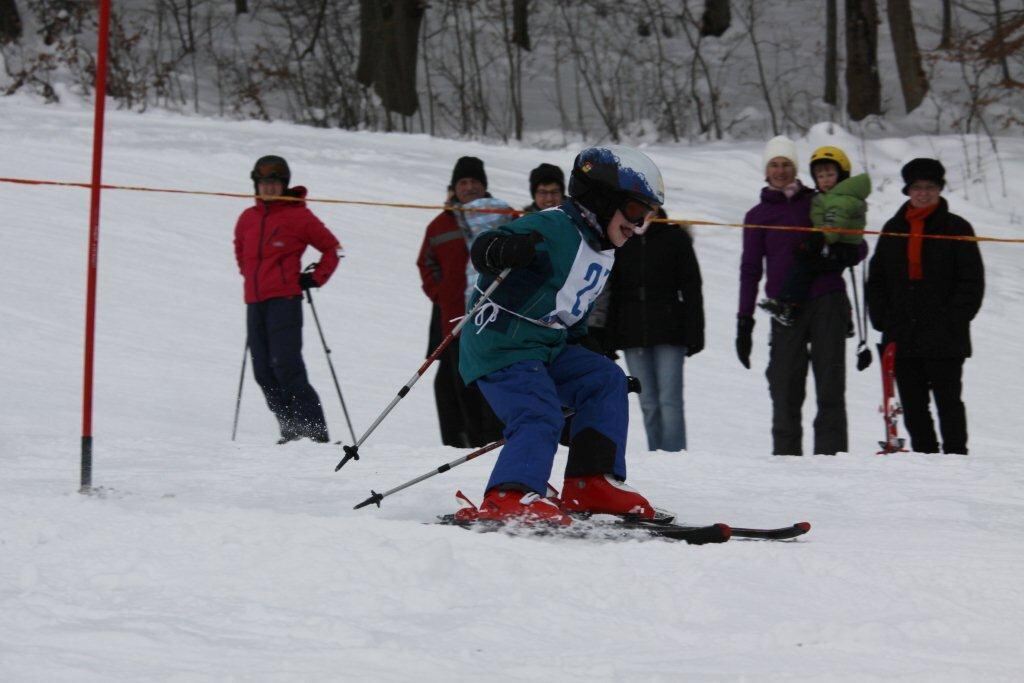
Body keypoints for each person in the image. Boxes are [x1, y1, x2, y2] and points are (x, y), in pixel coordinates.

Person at [455, 145, 665, 525]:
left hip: (546, 344)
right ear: (602, 200)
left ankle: (589, 481)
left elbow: (572, 307)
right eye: (635, 212)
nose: (638, 226)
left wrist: (588, 347)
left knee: (604, 380)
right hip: (502, 342)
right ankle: (509, 494)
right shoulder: (553, 226)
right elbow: (486, 248)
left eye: (647, 217)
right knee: (539, 411)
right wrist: (500, 249)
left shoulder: (602, 248)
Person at [736, 136, 865, 456]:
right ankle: (787, 463)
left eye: (787, 165)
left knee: (830, 385)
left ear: (796, 169)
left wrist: (839, 256)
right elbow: (750, 270)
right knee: (784, 387)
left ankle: (832, 459)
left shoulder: (819, 201)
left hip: (827, 300)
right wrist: (744, 320)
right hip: (785, 308)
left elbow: (858, 243)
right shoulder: (758, 215)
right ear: (766, 170)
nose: (780, 171)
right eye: (774, 165)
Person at [866, 158, 984, 454]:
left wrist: (954, 319)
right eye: (917, 187)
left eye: (929, 187)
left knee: (949, 402)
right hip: (902, 333)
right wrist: (883, 319)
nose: (923, 193)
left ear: (940, 189)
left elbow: (972, 281)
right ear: (908, 190)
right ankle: (925, 459)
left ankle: (957, 459)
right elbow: (877, 279)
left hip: (945, 334)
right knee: (914, 405)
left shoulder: (957, 227)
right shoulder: (893, 228)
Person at [234, 155, 340, 444]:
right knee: (262, 370)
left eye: (275, 182)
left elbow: (333, 249)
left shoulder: (298, 216)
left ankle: (313, 432)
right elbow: (240, 250)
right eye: (264, 182)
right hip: (255, 302)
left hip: (285, 301)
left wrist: (315, 278)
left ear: (284, 184)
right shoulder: (247, 218)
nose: (269, 188)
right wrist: (250, 277)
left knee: (286, 365)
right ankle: (291, 429)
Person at [416, 157, 504, 448]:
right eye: (463, 183)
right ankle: (466, 444)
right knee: (460, 385)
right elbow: (426, 264)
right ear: (453, 188)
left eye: (475, 182)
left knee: (492, 385)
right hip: (455, 320)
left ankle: (493, 441)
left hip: (495, 319)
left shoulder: (500, 217)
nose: (469, 187)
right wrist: (442, 296)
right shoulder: (440, 225)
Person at [608, 207, 704, 452]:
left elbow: (692, 286)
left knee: (669, 400)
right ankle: (657, 456)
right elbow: (612, 290)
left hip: (669, 329)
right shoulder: (622, 236)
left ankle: (674, 455)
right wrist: (611, 335)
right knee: (648, 401)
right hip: (632, 331)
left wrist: (695, 332)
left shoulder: (674, 237)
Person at [759, 146, 870, 326]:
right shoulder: (824, 197)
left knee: (805, 265)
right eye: (820, 176)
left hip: (838, 244)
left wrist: (819, 240)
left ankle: (788, 304)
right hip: (833, 242)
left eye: (830, 175)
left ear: (841, 174)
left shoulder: (840, 199)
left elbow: (835, 223)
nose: (825, 181)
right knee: (808, 265)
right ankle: (795, 306)